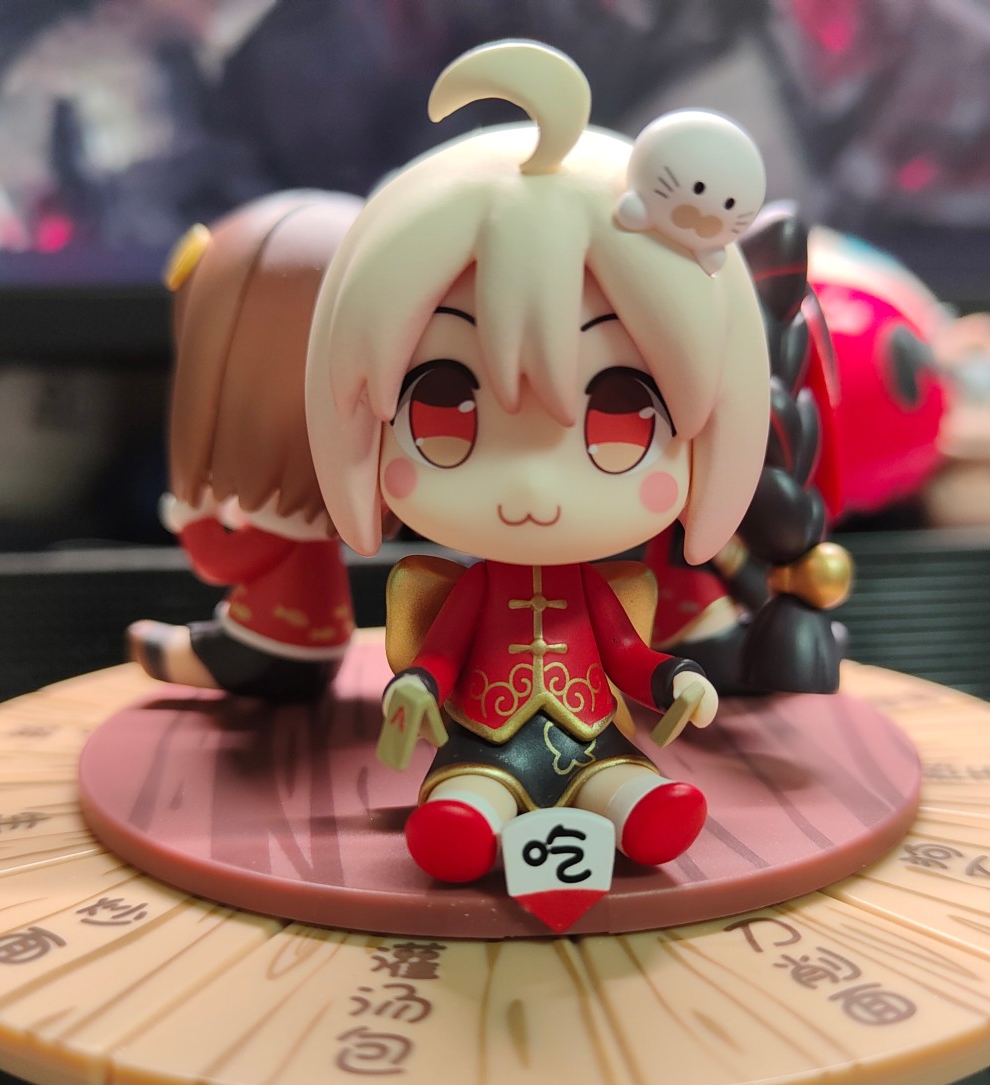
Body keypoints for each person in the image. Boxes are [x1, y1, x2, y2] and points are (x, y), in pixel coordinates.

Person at [304, 41, 770, 883]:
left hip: (592, 737)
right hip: (486, 742)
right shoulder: (477, 590)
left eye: (622, 417)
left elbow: (626, 656)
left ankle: (637, 810)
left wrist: (677, 680)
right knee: (472, 795)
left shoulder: (595, 593)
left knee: (625, 782)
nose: (530, 488)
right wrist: (416, 687)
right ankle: (466, 821)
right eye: (443, 408)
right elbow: (441, 656)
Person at [128, 191, 363, 701]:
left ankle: (172, 654)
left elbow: (216, 563)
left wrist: (192, 517)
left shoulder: (285, 522)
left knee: (177, 649)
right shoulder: (317, 524)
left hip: (268, 646)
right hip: (323, 641)